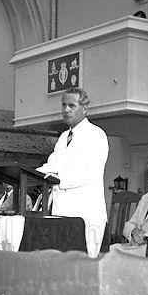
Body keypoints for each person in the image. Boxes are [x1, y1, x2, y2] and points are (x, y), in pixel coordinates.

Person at [36, 87, 109, 257]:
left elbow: (90, 172)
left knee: (82, 264)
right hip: (60, 213)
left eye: (71, 105)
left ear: (84, 108)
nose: (66, 110)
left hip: (85, 213)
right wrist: (32, 173)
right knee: (60, 262)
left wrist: (57, 178)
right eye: (63, 105)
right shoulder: (63, 137)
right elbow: (51, 165)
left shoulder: (96, 135)